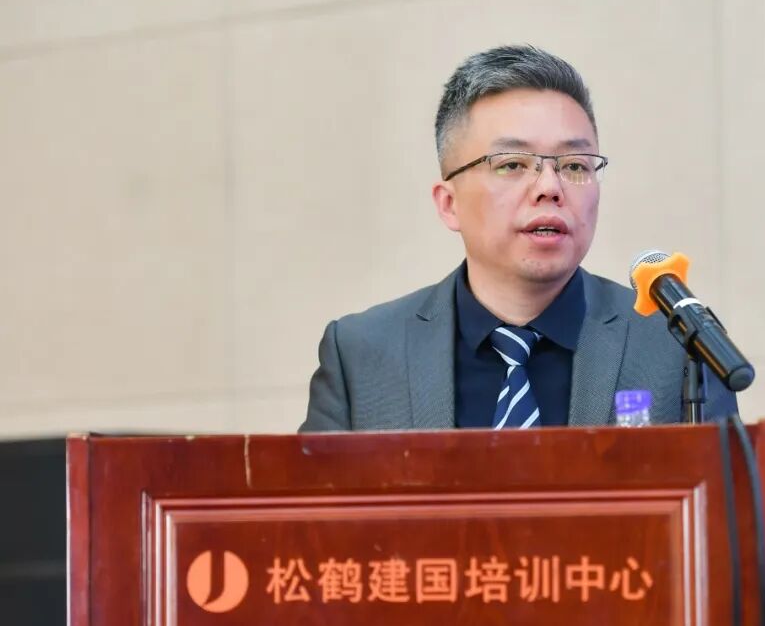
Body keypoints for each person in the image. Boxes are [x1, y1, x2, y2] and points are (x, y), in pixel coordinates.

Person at [300, 45, 737, 432]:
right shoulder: (361, 355)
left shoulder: (676, 347)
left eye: (575, 165)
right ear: (449, 204)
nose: (550, 187)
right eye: (512, 164)